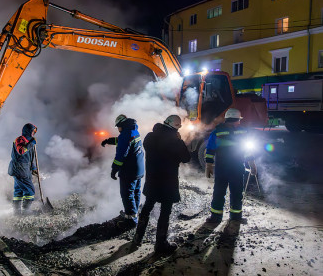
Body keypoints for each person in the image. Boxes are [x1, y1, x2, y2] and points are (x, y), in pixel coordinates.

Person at [132, 115, 191, 254]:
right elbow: (186, 158)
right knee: (165, 212)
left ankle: (137, 237)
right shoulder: (175, 141)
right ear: (177, 127)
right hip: (168, 182)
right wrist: (180, 141)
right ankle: (160, 244)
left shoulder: (150, 137)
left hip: (152, 180)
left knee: (147, 207)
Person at [204, 108, 257, 223]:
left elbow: (210, 149)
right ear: (238, 119)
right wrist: (252, 165)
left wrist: (208, 166)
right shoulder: (243, 132)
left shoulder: (217, 131)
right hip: (237, 168)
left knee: (219, 192)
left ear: (226, 119)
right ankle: (236, 217)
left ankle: (216, 217)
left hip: (221, 168)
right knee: (237, 192)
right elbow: (248, 152)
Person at [101, 114, 144, 228]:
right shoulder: (134, 131)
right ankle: (134, 214)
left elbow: (121, 155)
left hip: (129, 170)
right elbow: (123, 141)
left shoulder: (126, 134)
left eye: (117, 127)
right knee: (135, 192)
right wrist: (109, 140)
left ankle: (130, 221)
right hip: (138, 169)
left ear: (121, 125)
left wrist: (114, 170)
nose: (117, 129)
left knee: (127, 194)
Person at [8, 123, 38, 215]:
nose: (33, 133)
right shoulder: (20, 140)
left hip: (25, 169)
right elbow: (21, 151)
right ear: (28, 131)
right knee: (30, 190)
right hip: (20, 169)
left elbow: (29, 157)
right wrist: (31, 143)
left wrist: (33, 168)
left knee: (19, 191)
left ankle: (17, 213)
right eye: (33, 131)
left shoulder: (30, 141)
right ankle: (26, 212)